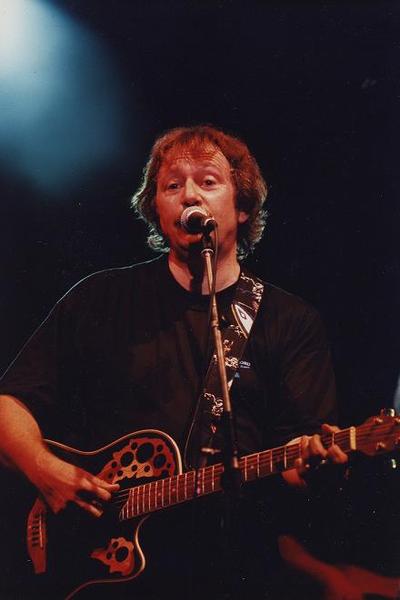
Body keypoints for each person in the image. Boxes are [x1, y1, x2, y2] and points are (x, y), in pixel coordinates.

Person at [0, 125, 348, 599]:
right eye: (172, 185)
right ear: (158, 213)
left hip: (231, 572)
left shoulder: (289, 321)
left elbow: (296, 461)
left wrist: (312, 462)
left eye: (208, 181)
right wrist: (43, 469)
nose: (189, 195)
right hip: (106, 569)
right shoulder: (100, 299)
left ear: (242, 207)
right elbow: (9, 404)